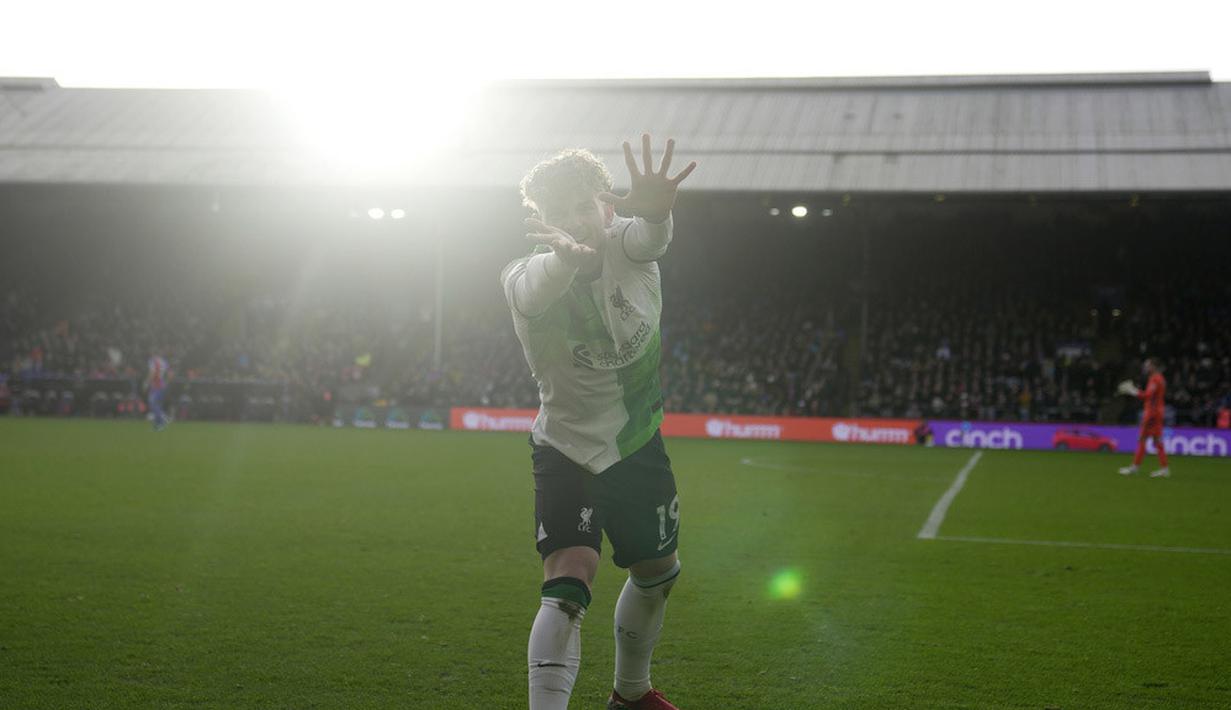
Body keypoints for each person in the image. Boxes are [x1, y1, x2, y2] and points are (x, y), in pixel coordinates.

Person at [501, 135, 696, 710]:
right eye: (558, 215)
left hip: (638, 442)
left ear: (607, 207)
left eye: (583, 208)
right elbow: (537, 291)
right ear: (539, 221)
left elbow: (652, 236)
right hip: (567, 448)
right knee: (569, 579)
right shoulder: (522, 276)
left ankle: (631, 695)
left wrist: (658, 208)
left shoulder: (628, 245)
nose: (575, 223)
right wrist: (564, 258)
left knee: (659, 571)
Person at [1118, 357, 1169, 477]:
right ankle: (1164, 469)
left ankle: (1135, 468)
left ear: (1153, 366)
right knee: (1157, 441)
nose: (1145, 367)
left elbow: (1147, 396)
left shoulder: (1155, 379)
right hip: (1157, 412)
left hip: (1152, 413)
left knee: (1142, 439)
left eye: (1147, 365)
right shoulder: (1160, 378)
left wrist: (1133, 391)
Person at [144, 351, 171, 431]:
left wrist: (146, 383)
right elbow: (170, 374)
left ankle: (163, 419)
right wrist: (166, 382)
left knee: (152, 403)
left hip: (156, 385)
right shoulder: (164, 361)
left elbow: (152, 373)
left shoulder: (152, 361)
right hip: (162, 385)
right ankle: (157, 425)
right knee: (158, 404)